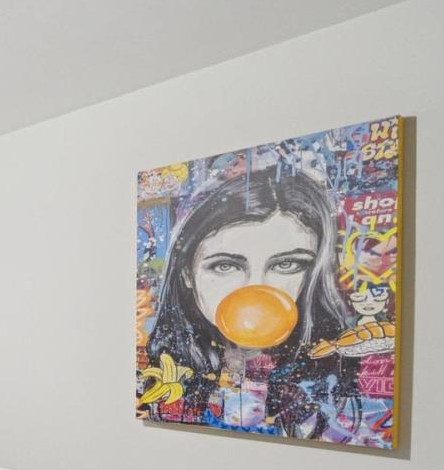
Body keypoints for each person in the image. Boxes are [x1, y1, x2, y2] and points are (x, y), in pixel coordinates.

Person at [144, 168, 350, 427]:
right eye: (225, 266)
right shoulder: (163, 371)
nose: (256, 289)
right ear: (186, 273)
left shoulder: (336, 377)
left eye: (287, 264)